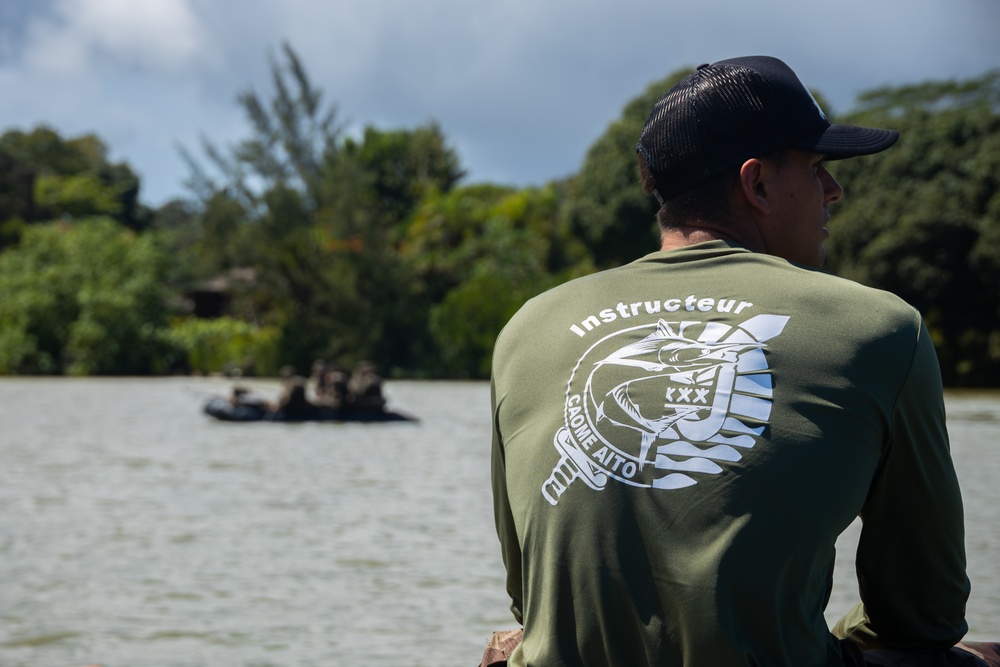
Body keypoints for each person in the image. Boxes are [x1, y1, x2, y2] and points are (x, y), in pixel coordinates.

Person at [488, 56, 997, 667]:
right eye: (815, 168)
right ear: (755, 184)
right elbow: (925, 612)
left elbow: (531, 598)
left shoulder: (528, 327)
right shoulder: (881, 330)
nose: (834, 191)